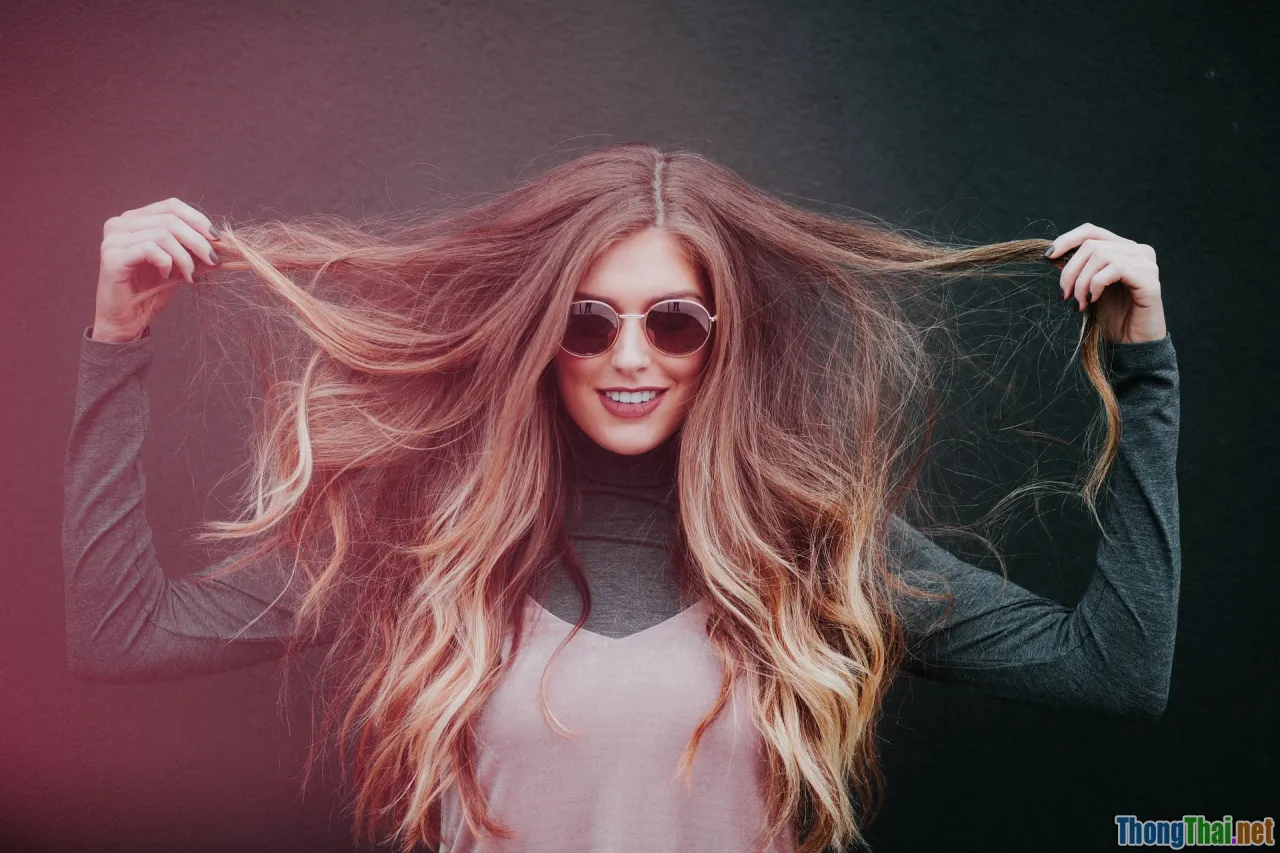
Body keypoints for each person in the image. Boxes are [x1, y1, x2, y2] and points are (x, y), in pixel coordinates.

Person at [63, 143, 1180, 853]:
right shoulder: (429, 543)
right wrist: (120, 341)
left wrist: (1144, 366)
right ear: (542, 338)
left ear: (716, 339)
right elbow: (121, 635)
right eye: (587, 320)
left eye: (673, 321)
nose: (628, 355)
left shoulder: (813, 553)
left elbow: (1112, 666)